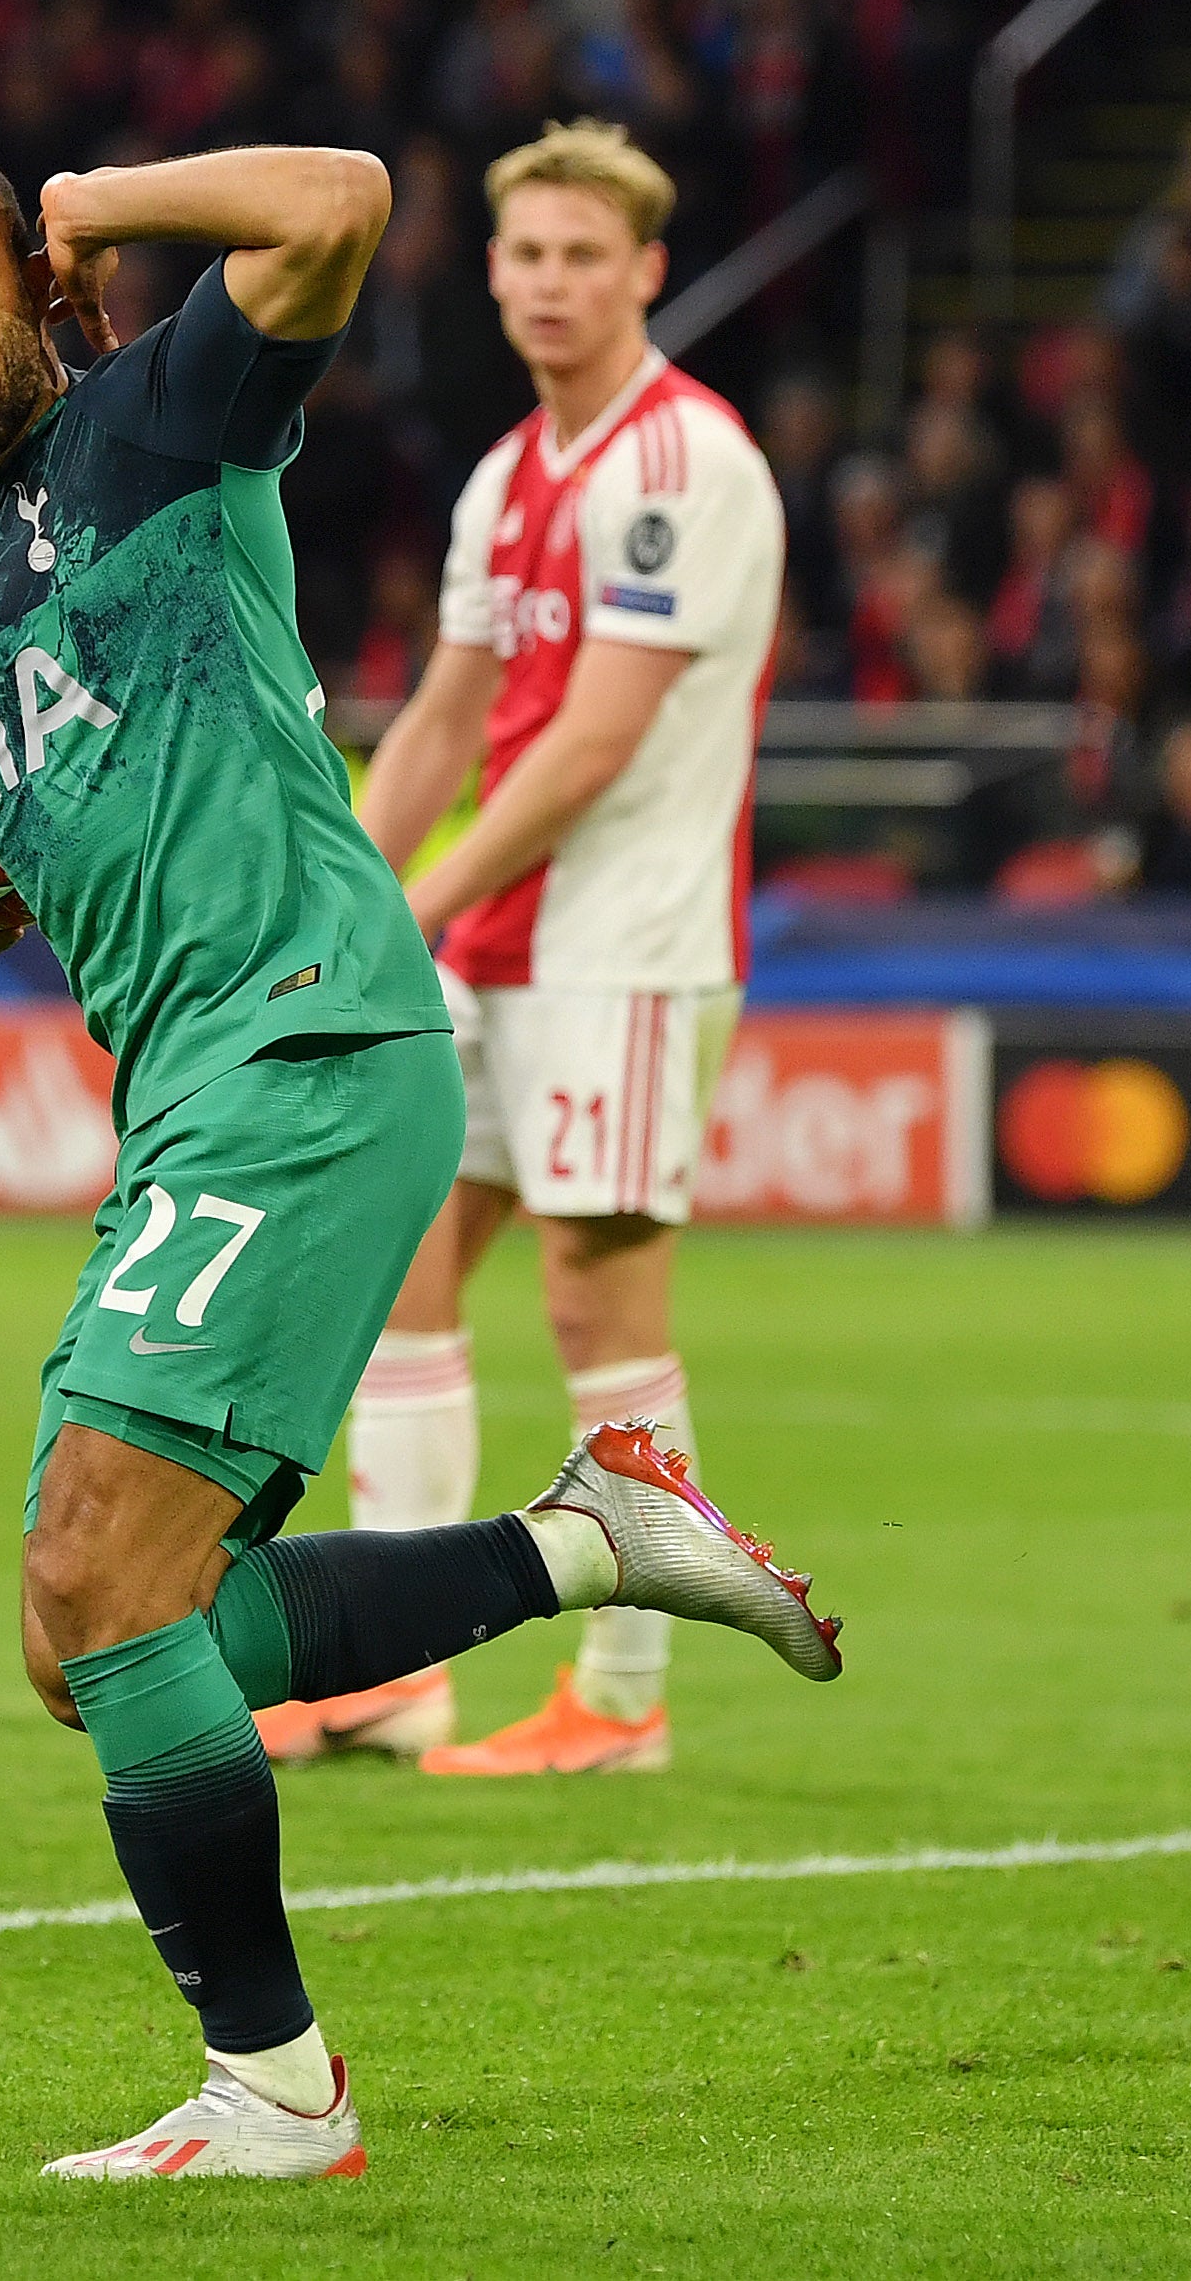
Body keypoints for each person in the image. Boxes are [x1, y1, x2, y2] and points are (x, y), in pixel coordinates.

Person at [0, 141, 840, 2180]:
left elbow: (345, 199)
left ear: (28, 277)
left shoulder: (159, 417)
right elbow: (75, 800)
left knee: (98, 1577)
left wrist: (102, 197)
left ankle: (277, 2087)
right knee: (90, 1637)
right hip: (193, 1083)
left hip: (303, 1038)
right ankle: (587, 1541)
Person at [265, 119, 789, 1777]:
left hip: (622, 944)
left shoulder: (686, 463)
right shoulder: (509, 475)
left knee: (597, 1295)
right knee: (409, 1259)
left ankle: (624, 1698)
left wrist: (414, 903)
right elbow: (447, 717)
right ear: (492, 273)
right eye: (531, 254)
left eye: (587, 256)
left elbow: (595, 744)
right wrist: (348, 891)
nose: (554, 282)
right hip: (497, 936)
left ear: (645, 272)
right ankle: (396, 1670)